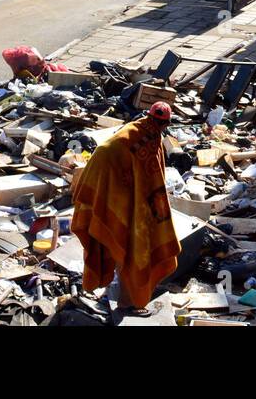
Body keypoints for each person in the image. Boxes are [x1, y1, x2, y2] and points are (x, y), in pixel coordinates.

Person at [70, 101, 181, 310]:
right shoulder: (148, 141)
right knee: (131, 242)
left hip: (98, 182)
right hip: (108, 184)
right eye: (162, 123)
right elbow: (150, 183)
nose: (161, 126)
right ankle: (127, 302)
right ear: (164, 123)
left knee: (117, 236)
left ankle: (124, 296)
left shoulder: (138, 128)